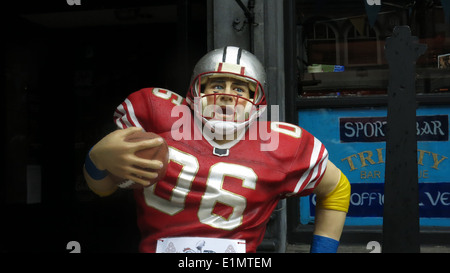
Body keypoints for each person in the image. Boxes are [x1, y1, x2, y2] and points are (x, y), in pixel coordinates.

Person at [83, 46, 350, 253]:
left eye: (240, 88)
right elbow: (102, 188)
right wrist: (97, 160)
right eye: (217, 84)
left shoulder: (282, 144)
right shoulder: (156, 119)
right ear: (195, 91)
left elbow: (337, 188)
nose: (226, 95)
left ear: (258, 101)